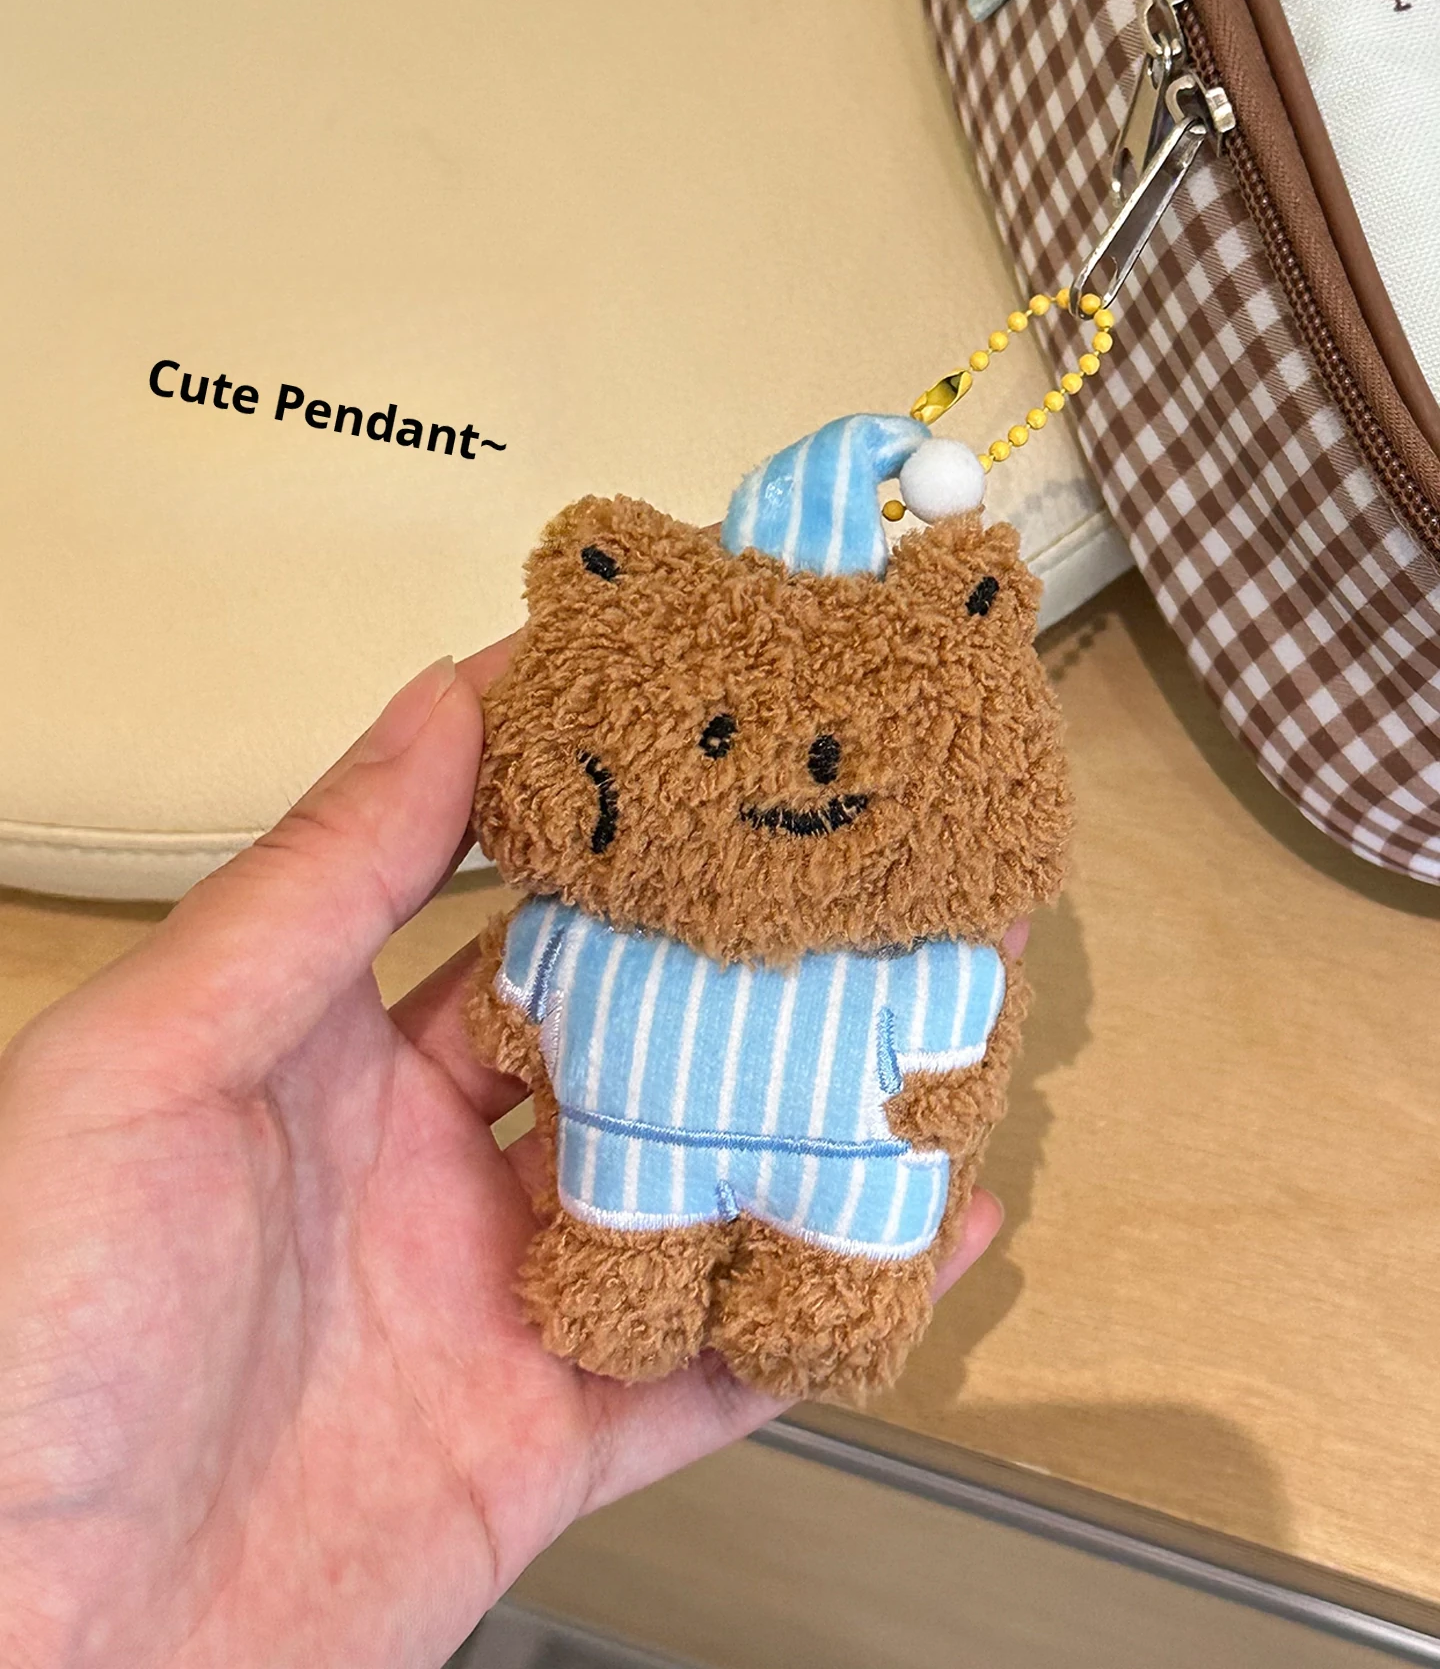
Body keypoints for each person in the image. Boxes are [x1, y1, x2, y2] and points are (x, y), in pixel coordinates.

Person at [0, 649, 1004, 1668]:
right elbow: (520, 1011)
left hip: (786, 1170)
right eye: (715, 739)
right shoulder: (595, 930)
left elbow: (948, 1063)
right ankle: (672, 1287)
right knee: (640, 1262)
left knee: (821, 1278)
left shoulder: (921, 965)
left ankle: (803, 1294)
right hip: (642, 1169)